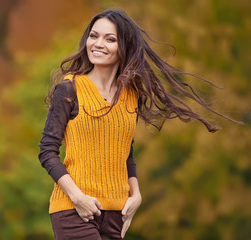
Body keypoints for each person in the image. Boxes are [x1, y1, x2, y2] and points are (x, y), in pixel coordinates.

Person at [38, 9, 240, 240]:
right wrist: (78, 198)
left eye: (110, 39)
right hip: (75, 211)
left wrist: (136, 195)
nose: (98, 44)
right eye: (93, 36)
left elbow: (125, 153)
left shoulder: (130, 94)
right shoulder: (69, 89)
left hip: (116, 214)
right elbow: (47, 152)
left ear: (125, 47)